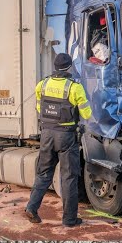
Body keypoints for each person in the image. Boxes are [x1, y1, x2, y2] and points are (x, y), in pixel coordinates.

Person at [26, 52, 91, 227]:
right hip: (66, 136)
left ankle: (31, 207)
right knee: (69, 177)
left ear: (55, 67)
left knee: (43, 174)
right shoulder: (75, 87)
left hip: (47, 134)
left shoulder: (42, 84)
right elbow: (87, 113)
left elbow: (39, 107)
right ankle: (69, 219)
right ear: (69, 67)